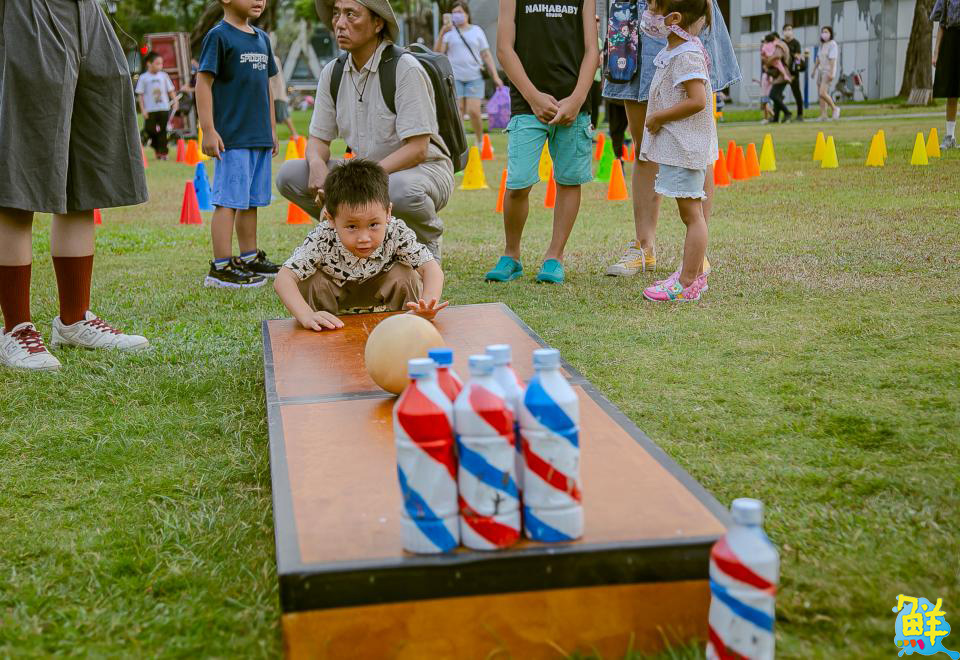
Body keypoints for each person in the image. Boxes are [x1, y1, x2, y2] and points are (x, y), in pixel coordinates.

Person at [0, 0, 150, 372]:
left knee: (83, 178)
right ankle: (16, 328)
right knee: (21, 174)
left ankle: (74, 320)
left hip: (90, 11)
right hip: (30, 9)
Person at [277, 0, 454, 259]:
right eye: (336, 14)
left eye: (351, 14)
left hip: (423, 170)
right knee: (290, 175)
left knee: (399, 190)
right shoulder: (333, 72)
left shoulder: (404, 68)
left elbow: (417, 149)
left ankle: (425, 246)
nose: (340, 23)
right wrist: (316, 166)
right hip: (368, 171)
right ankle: (354, 236)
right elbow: (318, 139)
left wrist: (359, 181)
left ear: (377, 23)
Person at [602, 0, 739, 277]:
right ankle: (644, 247)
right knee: (643, 146)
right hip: (632, 17)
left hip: (682, 7)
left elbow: (697, 104)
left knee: (696, 147)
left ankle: (698, 254)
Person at [485, 0, 599, 285]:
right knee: (518, 183)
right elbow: (504, 49)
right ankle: (511, 255)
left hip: (572, 106)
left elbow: (591, 51)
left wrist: (577, 99)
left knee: (569, 180)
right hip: (527, 104)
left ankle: (554, 257)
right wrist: (533, 97)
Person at [274, 159, 447, 330]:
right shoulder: (322, 238)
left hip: (381, 292)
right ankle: (321, 325)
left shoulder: (396, 231)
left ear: (388, 212)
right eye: (352, 227)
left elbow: (431, 269)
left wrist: (426, 306)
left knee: (406, 275)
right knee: (312, 281)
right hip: (334, 298)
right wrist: (306, 314)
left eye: (373, 225)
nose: (364, 238)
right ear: (331, 219)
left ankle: (408, 323)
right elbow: (283, 279)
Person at [196, 0, 282, 289]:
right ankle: (220, 267)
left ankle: (249, 257)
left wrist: (272, 128)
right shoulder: (218, 36)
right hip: (231, 138)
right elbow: (203, 83)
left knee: (251, 201)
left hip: (258, 136)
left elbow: (266, 87)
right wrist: (208, 130)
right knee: (229, 202)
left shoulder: (262, 39)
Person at [636, 0, 715, 302]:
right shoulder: (675, 51)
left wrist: (659, 117)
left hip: (686, 148)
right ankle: (691, 275)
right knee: (689, 213)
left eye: (653, 8)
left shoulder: (687, 55)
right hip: (680, 148)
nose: (648, 14)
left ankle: (687, 282)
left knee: (692, 215)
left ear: (674, 18)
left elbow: (697, 100)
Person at [435, 1, 504, 146]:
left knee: (474, 111)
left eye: (459, 12)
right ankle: (461, 144)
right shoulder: (449, 33)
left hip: (475, 77)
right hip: (455, 78)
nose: (457, 15)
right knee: (458, 112)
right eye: (454, 13)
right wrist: (442, 32)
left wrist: (495, 77)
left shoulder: (476, 31)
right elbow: (438, 53)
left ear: (466, 14)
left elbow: (486, 55)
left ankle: (480, 141)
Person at [136, 52, 179, 161]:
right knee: (149, 130)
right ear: (149, 64)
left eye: (161, 63)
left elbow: (170, 90)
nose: (160, 66)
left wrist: (175, 101)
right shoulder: (143, 77)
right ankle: (156, 146)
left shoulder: (164, 76)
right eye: (157, 63)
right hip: (150, 109)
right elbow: (140, 95)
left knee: (163, 131)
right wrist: (143, 110)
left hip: (164, 108)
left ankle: (163, 153)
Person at [931, 0, 960, 149]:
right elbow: (941, 25)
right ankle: (950, 137)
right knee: (952, 93)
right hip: (950, 44)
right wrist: (936, 53)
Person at [812, 26, 839, 121]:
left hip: (828, 71)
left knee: (822, 93)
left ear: (830, 33)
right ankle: (823, 115)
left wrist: (831, 72)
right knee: (821, 95)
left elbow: (832, 59)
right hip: (821, 70)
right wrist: (814, 70)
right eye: (823, 32)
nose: (824, 33)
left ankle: (834, 108)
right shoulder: (822, 45)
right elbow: (818, 58)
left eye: (826, 32)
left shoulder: (833, 44)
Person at [764, 33, 793, 123]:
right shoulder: (782, 44)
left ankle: (787, 113)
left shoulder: (779, 45)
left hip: (782, 75)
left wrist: (768, 61)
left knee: (773, 95)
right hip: (781, 75)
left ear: (775, 38)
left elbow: (777, 56)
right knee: (777, 96)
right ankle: (775, 118)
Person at [272, 54, 300, 140]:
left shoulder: (274, 59)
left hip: (277, 93)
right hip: (274, 93)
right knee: (279, 116)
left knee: (284, 115)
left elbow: (273, 76)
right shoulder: (274, 58)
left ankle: (295, 135)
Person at [781, 24, 806, 121]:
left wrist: (795, 71)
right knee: (777, 95)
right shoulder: (781, 42)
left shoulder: (796, 43)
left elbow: (798, 58)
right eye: (786, 29)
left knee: (797, 94)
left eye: (790, 29)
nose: (788, 31)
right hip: (782, 72)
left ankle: (800, 115)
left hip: (793, 73)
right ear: (783, 31)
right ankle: (781, 115)